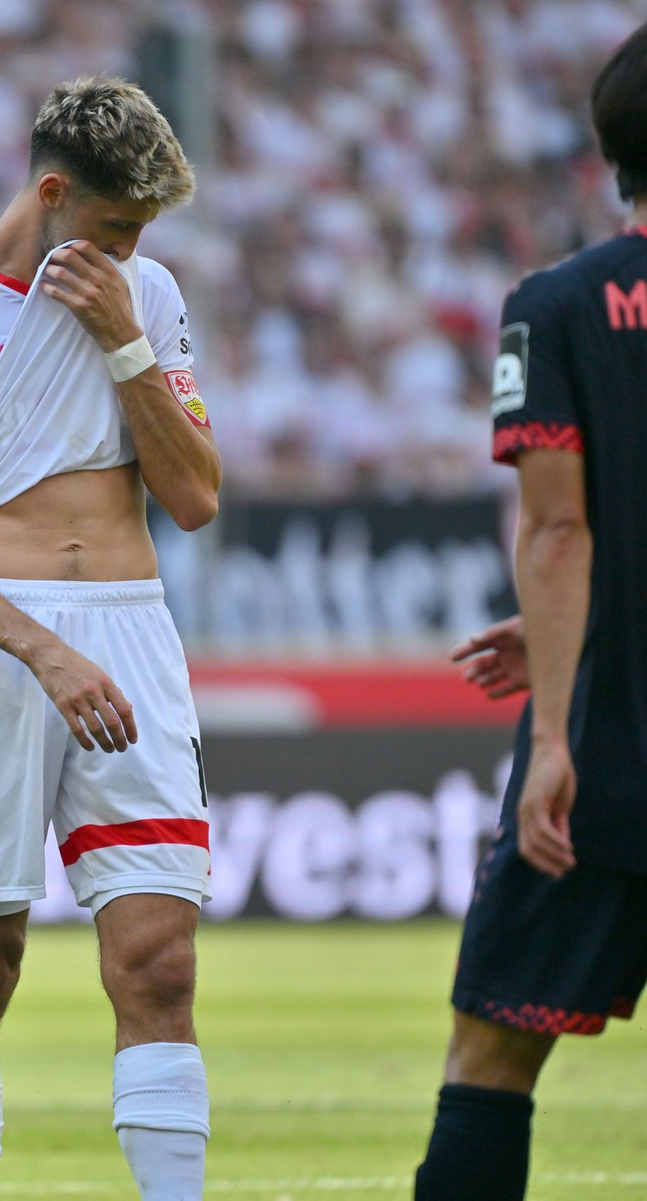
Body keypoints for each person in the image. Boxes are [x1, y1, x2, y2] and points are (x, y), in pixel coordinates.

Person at [0, 76, 219, 1200]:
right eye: (116, 226)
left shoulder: (147, 294)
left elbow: (197, 495)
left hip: (130, 628)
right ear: (55, 191)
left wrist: (126, 344)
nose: (129, 249)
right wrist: (43, 650)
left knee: (160, 963)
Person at [414, 24, 647, 1200]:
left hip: (610, 738)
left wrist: (555, 727)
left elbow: (562, 528)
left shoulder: (558, 304)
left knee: (494, 1054)